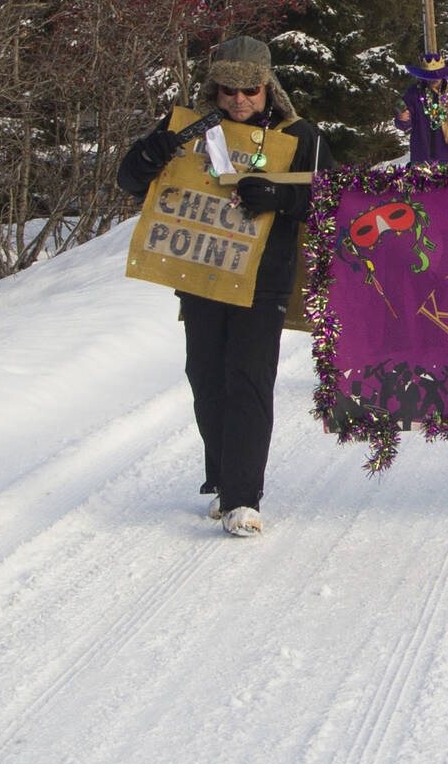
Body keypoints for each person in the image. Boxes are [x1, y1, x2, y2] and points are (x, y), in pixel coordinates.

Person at [117, 36, 333, 538]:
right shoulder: (191, 130)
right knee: (206, 377)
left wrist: (280, 195)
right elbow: (130, 180)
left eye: (250, 90)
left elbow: (329, 199)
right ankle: (221, 477)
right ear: (213, 89)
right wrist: (148, 156)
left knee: (250, 380)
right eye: (228, 90)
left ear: (269, 87)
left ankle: (243, 498)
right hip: (204, 273)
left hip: (265, 278)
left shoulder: (301, 135)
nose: (240, 100)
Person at [396, 49, 448, 165]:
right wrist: (402, 118)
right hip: (422, 155)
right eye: (429, 77)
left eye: (437, 76)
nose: (433, 80)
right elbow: (403, 124)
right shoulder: (414, 92)